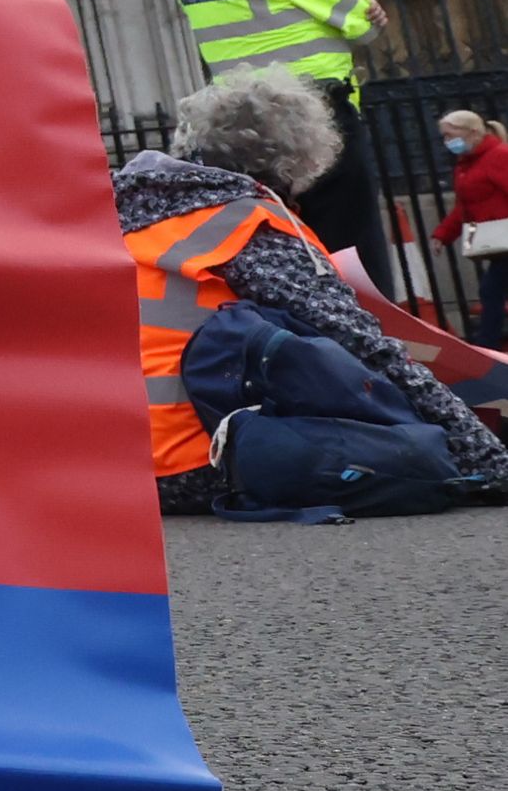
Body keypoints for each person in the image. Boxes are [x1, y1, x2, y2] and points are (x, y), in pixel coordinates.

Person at [121, 70, 503, 515]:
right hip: (201, 460)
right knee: (420, 460)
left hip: (114, 465)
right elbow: (364, 345)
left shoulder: (123, 216)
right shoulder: (248, 224)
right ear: (297, 157)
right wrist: (487, 456)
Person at [172, 0, 388, 273]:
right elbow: (364, 24)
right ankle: (367, 333)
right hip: (315, 116)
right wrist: (367, 15)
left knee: (278, 245)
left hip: (238, 123)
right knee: (349, 246)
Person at [445, 105, 508, 345]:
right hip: (499, 241)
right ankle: (487, 342)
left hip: (503, 235)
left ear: (472, 133)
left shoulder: (497, 156)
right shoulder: (467, 164)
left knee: (491, 291)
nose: (447, 142)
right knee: (491, 291)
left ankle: (487, 343)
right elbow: (464, 206)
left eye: (451, 135)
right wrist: (444, 234)